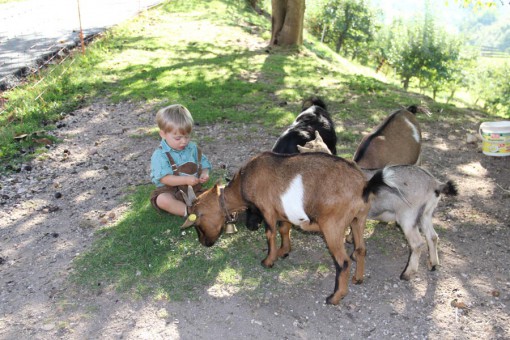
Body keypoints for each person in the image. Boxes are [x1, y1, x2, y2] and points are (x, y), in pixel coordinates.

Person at [150, 104, 211, 217]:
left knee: (213, 194)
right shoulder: (160, 155)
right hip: (170, 190)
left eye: (187, 137)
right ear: (163, 134)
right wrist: (185, 179)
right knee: (162, 200)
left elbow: (203, 162)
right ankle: (190, 213)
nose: (183, 142)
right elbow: (165, 179)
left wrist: (204, 173)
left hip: (193, 189)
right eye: (178, 138)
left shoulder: (192, 148)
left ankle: (202, 208)